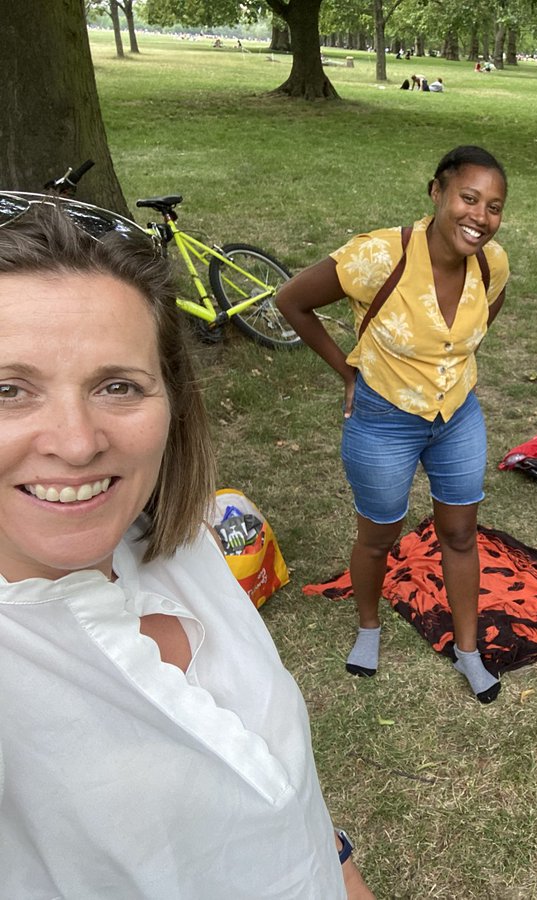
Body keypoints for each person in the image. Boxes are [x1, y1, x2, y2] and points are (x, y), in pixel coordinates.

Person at [0, 203, 372, 898]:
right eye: (9, 390)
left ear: (173, 399)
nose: (77, 442)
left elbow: (275, 787)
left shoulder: (171, 540)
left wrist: (339, 866)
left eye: (118, 386)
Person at [277, 146, 510, 704]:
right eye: (469, 198)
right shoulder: (378, 256)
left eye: (494, 207)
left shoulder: (492, 263)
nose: (480, 217)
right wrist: (347, 370)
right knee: (379, 535)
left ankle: (469, 650)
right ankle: (368, 627)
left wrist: (451, 366)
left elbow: (482, 319)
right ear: (437, 193)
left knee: (459, 534)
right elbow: (292, 301)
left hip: (457, 417)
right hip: (383, 422)